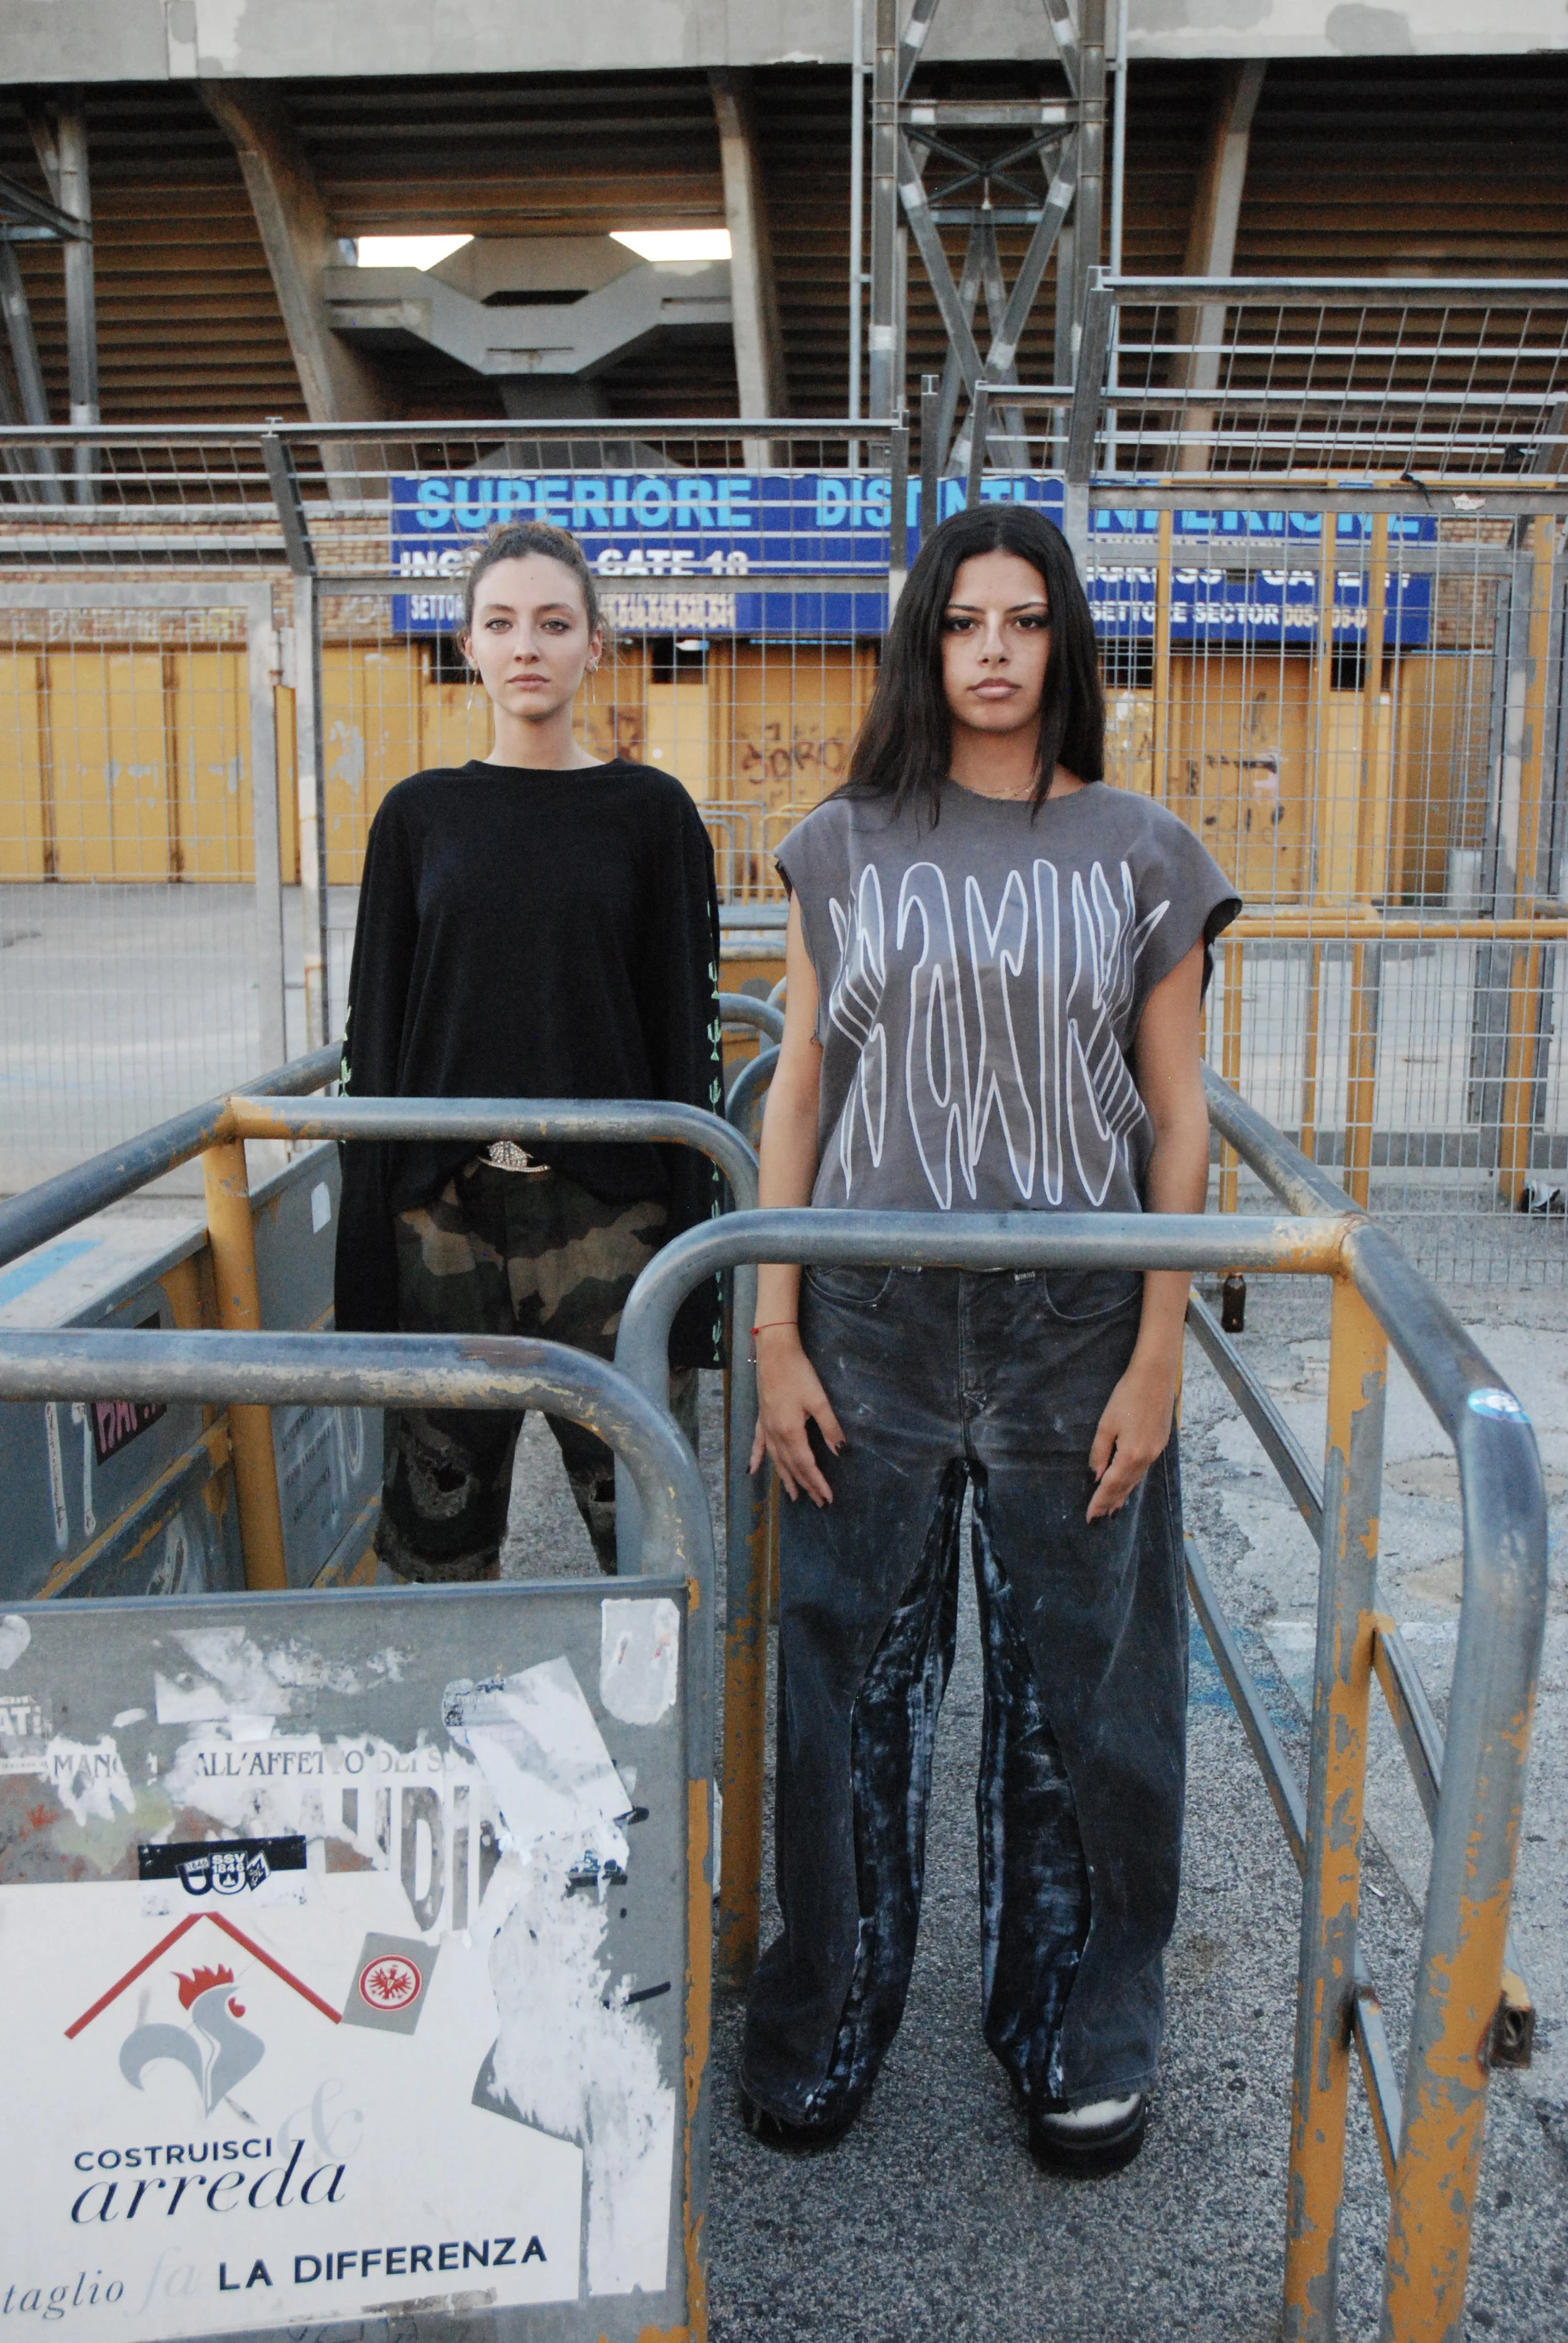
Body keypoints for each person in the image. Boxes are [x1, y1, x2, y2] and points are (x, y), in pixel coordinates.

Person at [740, 504, 1241, 2174]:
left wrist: (1158, 1352)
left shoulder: (1144, 852)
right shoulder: (839, 846)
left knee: (1080, 1707)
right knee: (847, 1688)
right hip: (866, 1312)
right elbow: (798, 1091)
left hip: (1076, 1318)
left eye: (1024, 620)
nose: (994, 651)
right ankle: (822, 2017)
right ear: (923, 645)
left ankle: (1077, 2032)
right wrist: (775, 1323)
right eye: (963, 622)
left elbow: (1177, 1120)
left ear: (1064, 642)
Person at [334, 519, 723, 1583]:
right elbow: (375, 1034)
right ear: (468, 645)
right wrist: (368, 1260)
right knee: (437, 1548)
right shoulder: (418, 818)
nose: (527, 646)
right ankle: (450, 1696)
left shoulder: (651, 814)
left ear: (596, 642)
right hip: (444, 1218)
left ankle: (657, 1705)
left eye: (554, 623)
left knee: (651, 1553)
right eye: (501, 623)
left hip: (614, 1222)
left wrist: (698, 1276)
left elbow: (688, 1040)